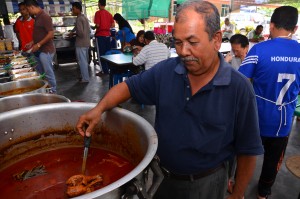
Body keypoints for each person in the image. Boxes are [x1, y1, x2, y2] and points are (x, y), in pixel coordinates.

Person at [76, 1, 263, 199]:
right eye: (178, 42)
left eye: (192, 42)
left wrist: (238, 194)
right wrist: (99, 109)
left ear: (216, 39)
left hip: (206, 184)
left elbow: (248, 150)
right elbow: (128, 87)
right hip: (161, 178)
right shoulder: (167, 71)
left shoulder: (239, 88)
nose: (183, 51)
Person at [238, 6, 300, 199]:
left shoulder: (259, 50)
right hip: (284, 121)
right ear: (295, 29)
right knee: (273, 160)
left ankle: (238, 187)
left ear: (271, 25)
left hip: (257, 118)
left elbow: (240, 82)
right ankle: (263, 193)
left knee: (247, 154)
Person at [24, 0, 57, 93]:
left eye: (28, 9)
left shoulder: (45, 17)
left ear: (31, 7)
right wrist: (32, 42)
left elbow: (50, 34)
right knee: (41, 72)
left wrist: (38, 44)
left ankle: (53, 90)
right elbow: (40, 34)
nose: (28, 12)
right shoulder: (37, 17)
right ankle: (45, 88)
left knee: (48, 72)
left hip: (46, 50)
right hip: (39, 50)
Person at [70, 2, 90, 83]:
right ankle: (85, 77)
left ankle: (85, 79)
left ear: (78, 9)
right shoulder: (84, 16)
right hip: (86, 42)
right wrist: (72, 31)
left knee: (82, 62)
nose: (72, 11)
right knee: (84, 61)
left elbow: (80, 33)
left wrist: (73, 34)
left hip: (81, 43)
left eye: (73, 9)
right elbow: (79, 28)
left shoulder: (79, 18)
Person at [94, 0, 115, 75]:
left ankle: (103, 71)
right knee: (107, 53)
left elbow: (98, 25)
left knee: (101, 54)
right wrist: (107, 26)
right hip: (108, 35)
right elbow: (113, 25)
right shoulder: (109, 14)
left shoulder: (98, 13)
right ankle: (109, 69)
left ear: (99, 4)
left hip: (100, 35)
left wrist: (94, 27)